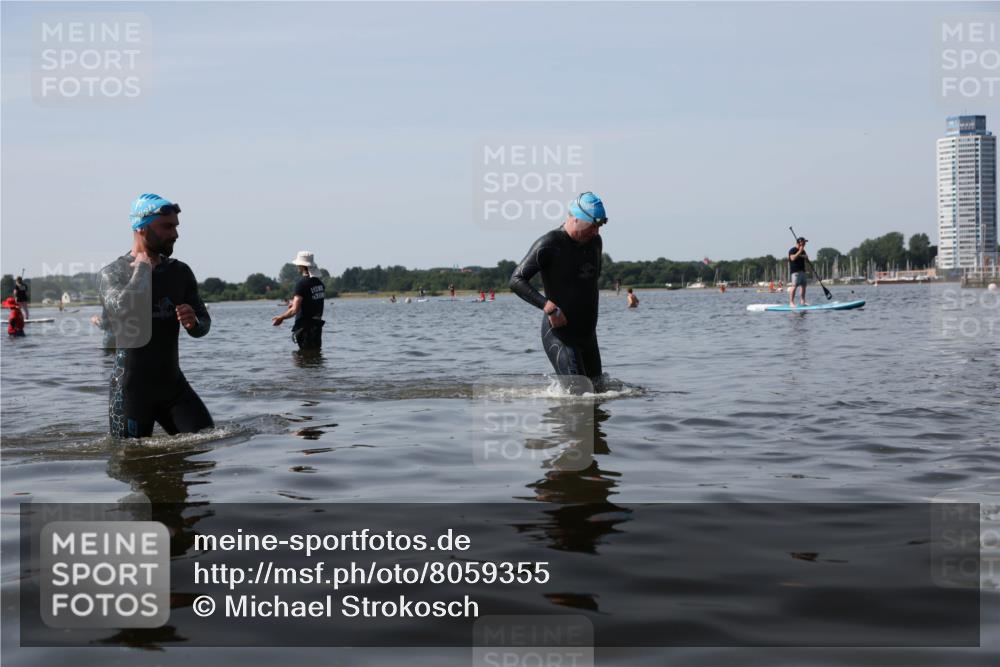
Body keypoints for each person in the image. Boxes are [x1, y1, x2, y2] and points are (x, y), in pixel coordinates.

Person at [99, 193, 213, 438]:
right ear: (141, 227)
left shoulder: (180, 272)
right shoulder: (113, 273)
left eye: (175, 227)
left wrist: (193, 323)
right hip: (130, 392)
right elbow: (121, 308)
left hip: (173, 387)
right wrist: (141, 269)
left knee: (207, 443)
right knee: (132, 463)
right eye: (167, 227)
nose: (175, 234)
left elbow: (204, 324)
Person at [510, 191, 606, 390]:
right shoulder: (550, 244)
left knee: (599, 395)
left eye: (599, 227)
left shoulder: (595, 243)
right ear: (576, 219)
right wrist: (548, 307)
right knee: (579, 395)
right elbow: (516, 280)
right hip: (561, 335)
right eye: (592, 226)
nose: (596, 232)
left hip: (588, 335)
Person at [273, 251, 326, 350]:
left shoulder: (301, 284)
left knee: (303, 361)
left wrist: (281, 317)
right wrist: (295, 304)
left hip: (305, 329)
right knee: (316, 358)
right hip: (317, 328)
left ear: (302, 266)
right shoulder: (319, 283)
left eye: (298, 264)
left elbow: (294, 310)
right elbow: (313, 302)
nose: (297, 266)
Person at [788, 237, 809, 307]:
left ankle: (802, 301)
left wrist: (804, 255)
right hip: (795, 271)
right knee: (794, 286)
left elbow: (806, 257)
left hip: (802, 270)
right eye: (804, 242)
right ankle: (791, 302)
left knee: (804, 286)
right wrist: (799, 252)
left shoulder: (803, 250)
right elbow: (792, 258)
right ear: (800, 242)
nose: (805, 244)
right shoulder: (792, 250)